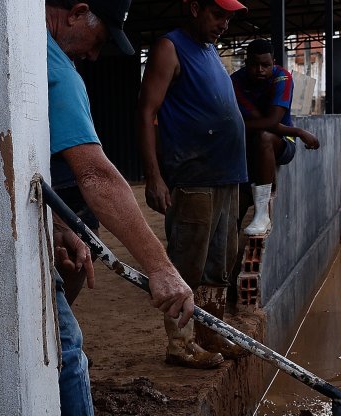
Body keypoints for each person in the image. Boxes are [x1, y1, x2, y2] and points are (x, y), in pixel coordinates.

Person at [44, 0, 196, 416]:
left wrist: (59, 225)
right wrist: (161, 268)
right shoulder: (56, 69)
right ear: (76, 12)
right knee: (64, 346)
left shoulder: (29, 55)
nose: (96, 54)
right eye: (101, 37)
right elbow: (96, 174)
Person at [139, 0, 251, 368]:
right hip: (194, 177)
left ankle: (209, 332)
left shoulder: (210, 51)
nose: (224, 24)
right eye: (218, 14)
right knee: (187, 263)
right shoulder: (169, 47)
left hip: (227, 175)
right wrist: (154, 176)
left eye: (228, 17)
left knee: (220, 263)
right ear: (193, 8)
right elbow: (147, 112)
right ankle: (180, 343)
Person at [232, 39, 321, 237]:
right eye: (254, 65)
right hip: (246, 147)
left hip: (282, 142)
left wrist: (237, 126)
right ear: (246, 63)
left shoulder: (282, 77)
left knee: (264, 136)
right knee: (235, 208)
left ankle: (262, 213)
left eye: (265, 65)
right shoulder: (235, 82)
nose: (260, 70)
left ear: (274, 62)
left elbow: (272, 121)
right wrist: (300, 132)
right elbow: (262, 120)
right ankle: (229, 250)